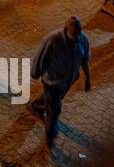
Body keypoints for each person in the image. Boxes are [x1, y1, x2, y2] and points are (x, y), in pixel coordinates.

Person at [30, 17, 91, 148]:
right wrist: (35, 73)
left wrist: (88, 78)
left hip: (68, 81)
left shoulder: (83, 39)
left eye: (78, 35)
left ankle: (36, 106)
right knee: (55, 111)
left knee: (52, 102)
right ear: (65, 30)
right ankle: (50, 137)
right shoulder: (52, 40)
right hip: (52, 82)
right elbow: (40, 57)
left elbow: (84, 59)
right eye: (73, 36)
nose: (76, 39)